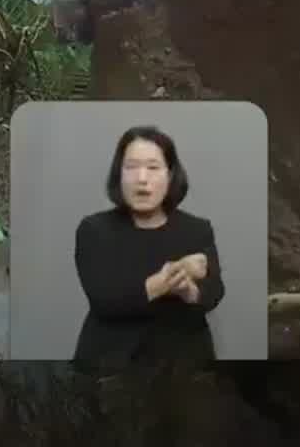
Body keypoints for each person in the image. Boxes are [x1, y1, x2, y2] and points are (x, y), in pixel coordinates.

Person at [72, 126, 223, 370]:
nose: (142, 178)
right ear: (118, 174)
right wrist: (166, 280)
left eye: (153, 167)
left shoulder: (197, 229)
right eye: (131, 167)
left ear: (171, 174)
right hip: (109, 367)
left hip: (186, 369)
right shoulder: (94, 230)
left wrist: (189, 292)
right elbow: (105, 301)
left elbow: (214, 292)